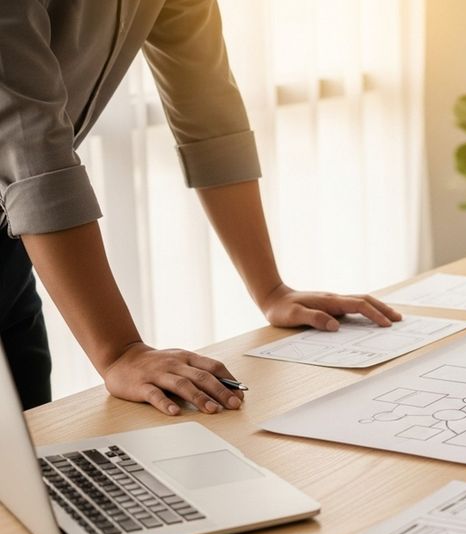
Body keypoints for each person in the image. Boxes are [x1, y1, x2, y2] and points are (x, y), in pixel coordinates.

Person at [1, 1, 402, 413]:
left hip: (10, 242)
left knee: (25, 460)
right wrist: (120, 353)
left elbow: (207, 108)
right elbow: (31, 146)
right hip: (20, 212)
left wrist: (271, 290)